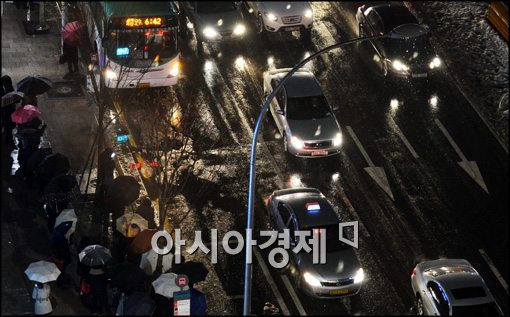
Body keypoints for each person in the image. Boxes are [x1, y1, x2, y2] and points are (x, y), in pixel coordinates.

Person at [1, 75, 17, 147]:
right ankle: (8, 140)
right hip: (7, 112)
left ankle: (8, 138)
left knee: (8, 126)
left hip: (7, 111)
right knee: (8, 127)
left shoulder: (10, 88)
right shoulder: (9, 89)